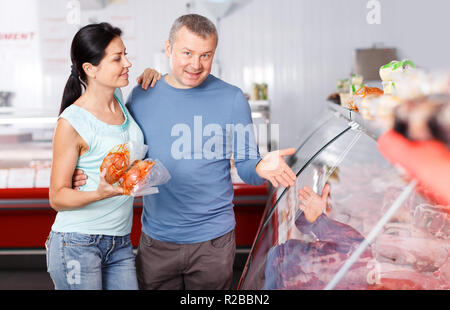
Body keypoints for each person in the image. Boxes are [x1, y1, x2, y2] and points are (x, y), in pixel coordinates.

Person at [73, 14, 297, 290]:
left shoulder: (232, 99)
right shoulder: (142, 95)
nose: (196, 64)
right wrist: (81, 170)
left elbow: (248, 168)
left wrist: (261, 167)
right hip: (157, 241)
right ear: (168, 49)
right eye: (187, 53)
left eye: (206, 55)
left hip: (213, 243)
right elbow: (122, 153)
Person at [46, 22, 161, 290]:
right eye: (117, 58)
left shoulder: (119, 98)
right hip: (77, 242)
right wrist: (100, 192)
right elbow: (57, 197)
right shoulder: (72, 122)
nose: (128, 63)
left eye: (126, 54)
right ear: (90, 69)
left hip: (119, 241)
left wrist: (153, 74)